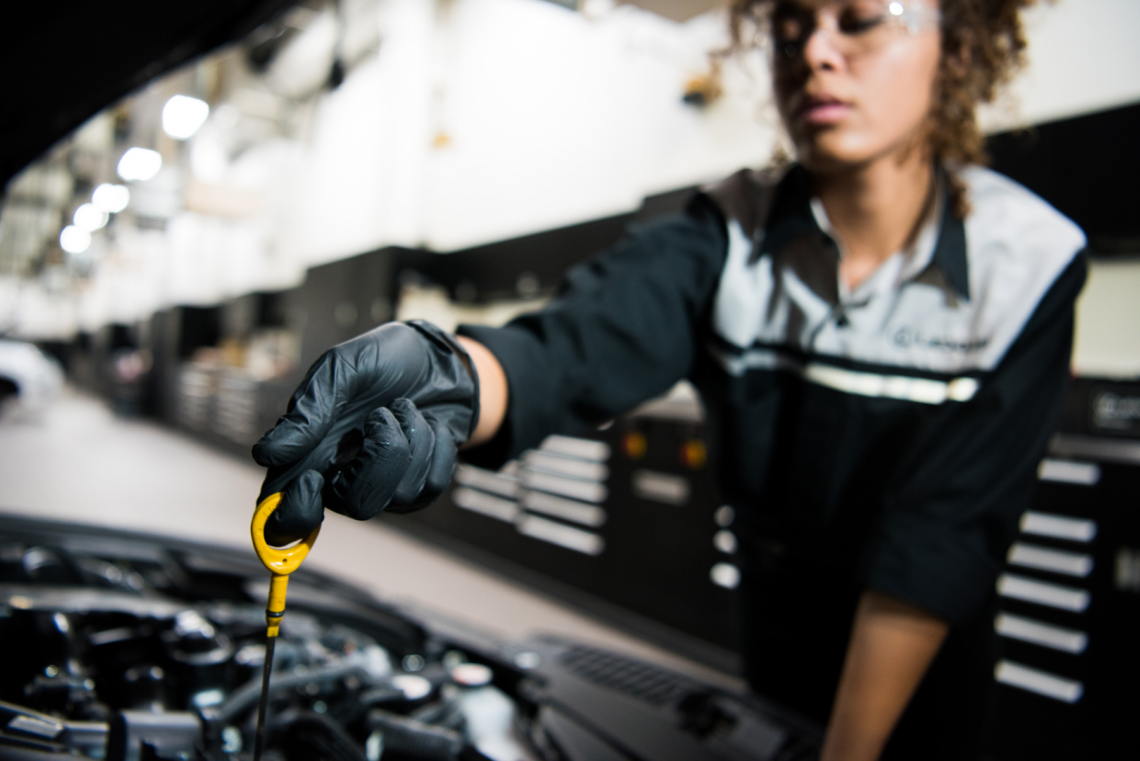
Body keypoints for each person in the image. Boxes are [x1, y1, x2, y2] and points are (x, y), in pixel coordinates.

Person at [251, 1, 1087, 758]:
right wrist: (446, 375)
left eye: (862, 18)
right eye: (791, 27)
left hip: (922, 665)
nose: (815, 53)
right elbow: (576, 345)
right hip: (774, 635)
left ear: (960, 44)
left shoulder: (1027, 262)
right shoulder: (728, 231)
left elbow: (938, 540)